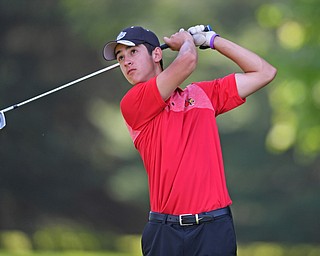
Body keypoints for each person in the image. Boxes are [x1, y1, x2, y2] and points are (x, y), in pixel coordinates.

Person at [103, 24, 277, 256]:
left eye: (133, 52)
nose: (126, 61)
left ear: (157, 54)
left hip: (213, 228)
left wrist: (212, 39)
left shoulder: (202, 95)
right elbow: (187, 63)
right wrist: (187, 41)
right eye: (120, 57)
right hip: (165, 232)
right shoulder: (133, 103)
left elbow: (264, 72)